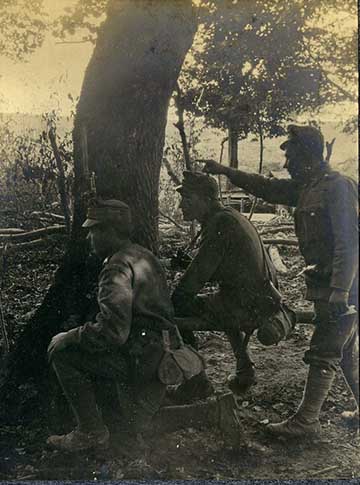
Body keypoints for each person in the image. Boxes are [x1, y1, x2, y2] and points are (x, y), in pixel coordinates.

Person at [203, 124, 359, 438]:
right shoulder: (306, 187)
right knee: (342, 350)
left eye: (289, 156)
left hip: (347, 283)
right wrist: (224, 170)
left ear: (307, 156)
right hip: (328, 284)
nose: (285, 164)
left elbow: (348, 242)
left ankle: (306, 421)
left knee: (326, 348)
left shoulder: (337, 186)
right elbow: (263, 187)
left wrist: (341, 289)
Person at [46, 199, 177, 452]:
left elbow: (113, 332)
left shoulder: (115, 267)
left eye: (94, 231)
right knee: (134, 425)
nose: (90, 239)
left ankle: (90, 431)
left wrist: (70, 336)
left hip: (141, 359)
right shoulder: (142, 254)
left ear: (109, 231)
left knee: (62, 354)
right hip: (161, 352)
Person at [170, 170, 294, 403]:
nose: (181, 206)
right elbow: (224, 265)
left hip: (249, 305)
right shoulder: (228, 216)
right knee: (218, 299)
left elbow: (193, 281)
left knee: (176, 309)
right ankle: (244, 369)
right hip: (259, 297)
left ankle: (196, 382)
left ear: (206, 199)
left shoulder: (220, 223)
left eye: (187, 199)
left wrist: (168, 303)